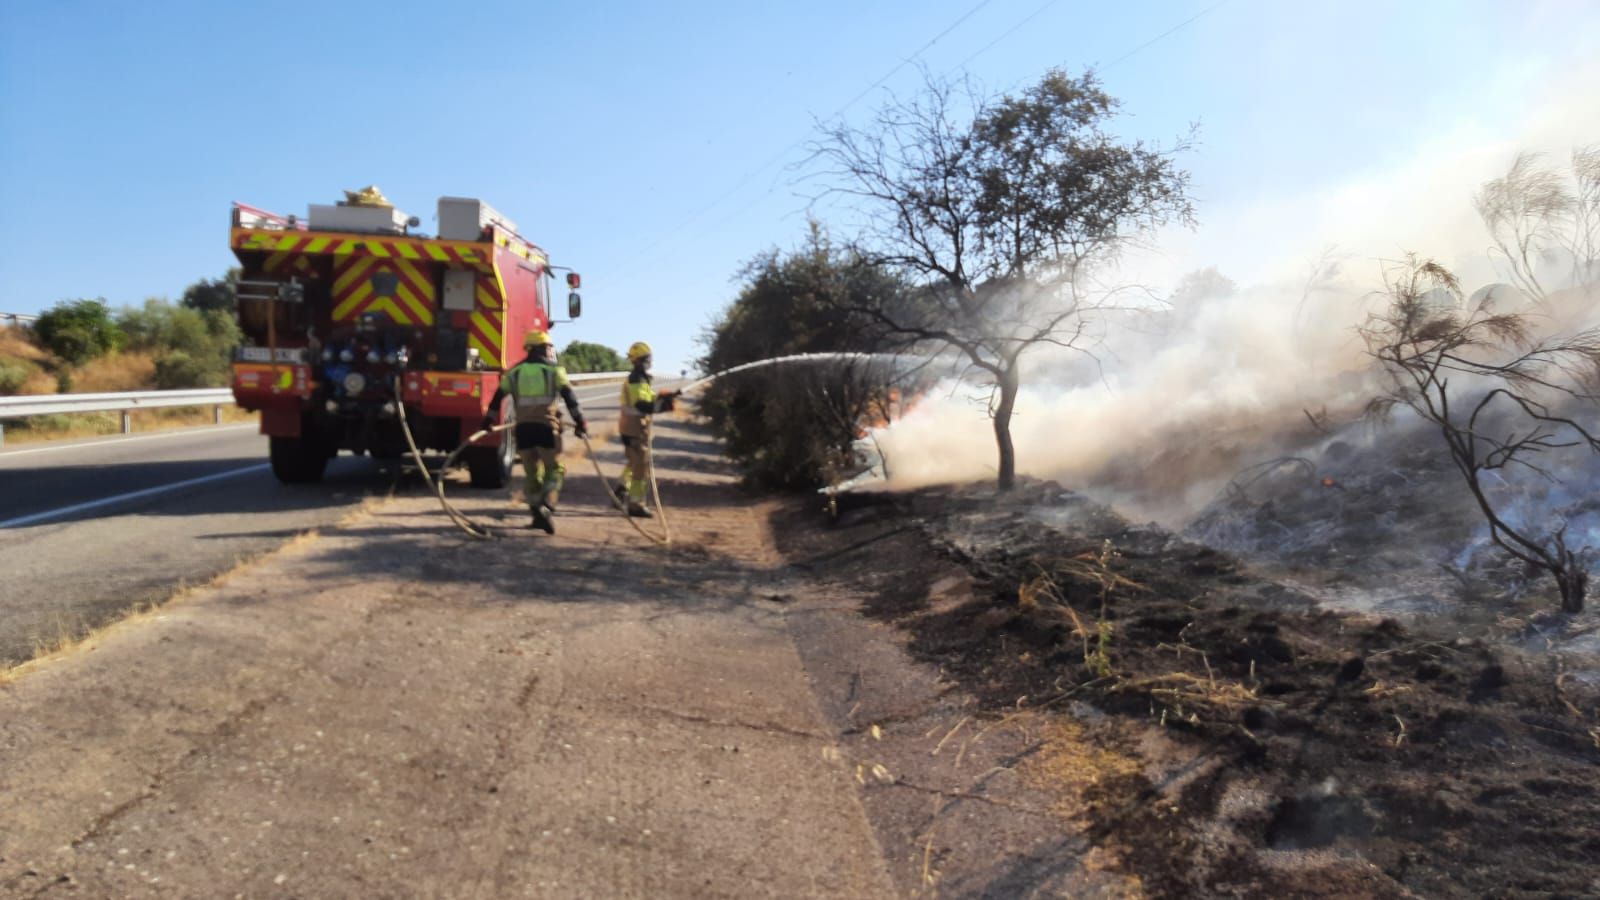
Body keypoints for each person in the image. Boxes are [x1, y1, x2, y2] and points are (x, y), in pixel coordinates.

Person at [484, 330, 588, 534]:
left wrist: (487, 421)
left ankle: (536, 513)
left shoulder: (514, 372)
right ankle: (547, 505)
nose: (550, 351)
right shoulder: (554, 371)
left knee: (532, 473)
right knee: (555, 470)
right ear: (542, 348)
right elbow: (570, 397)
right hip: (546, 429)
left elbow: (498, 398)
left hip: (523, 431)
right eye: (548, 347)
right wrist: (580, 422)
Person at [615, 341, 677, 518]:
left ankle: (621, 488)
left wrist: (666, 397)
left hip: (632, 427)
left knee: (634, 462)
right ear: (641, 360)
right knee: (640, 467)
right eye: (648, 358)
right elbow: (642, 405)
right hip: (633, 429)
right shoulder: (636, 378)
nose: (650, 361)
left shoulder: (640, 378)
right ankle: (636, 504)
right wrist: (663, 407)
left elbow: (648, 399)